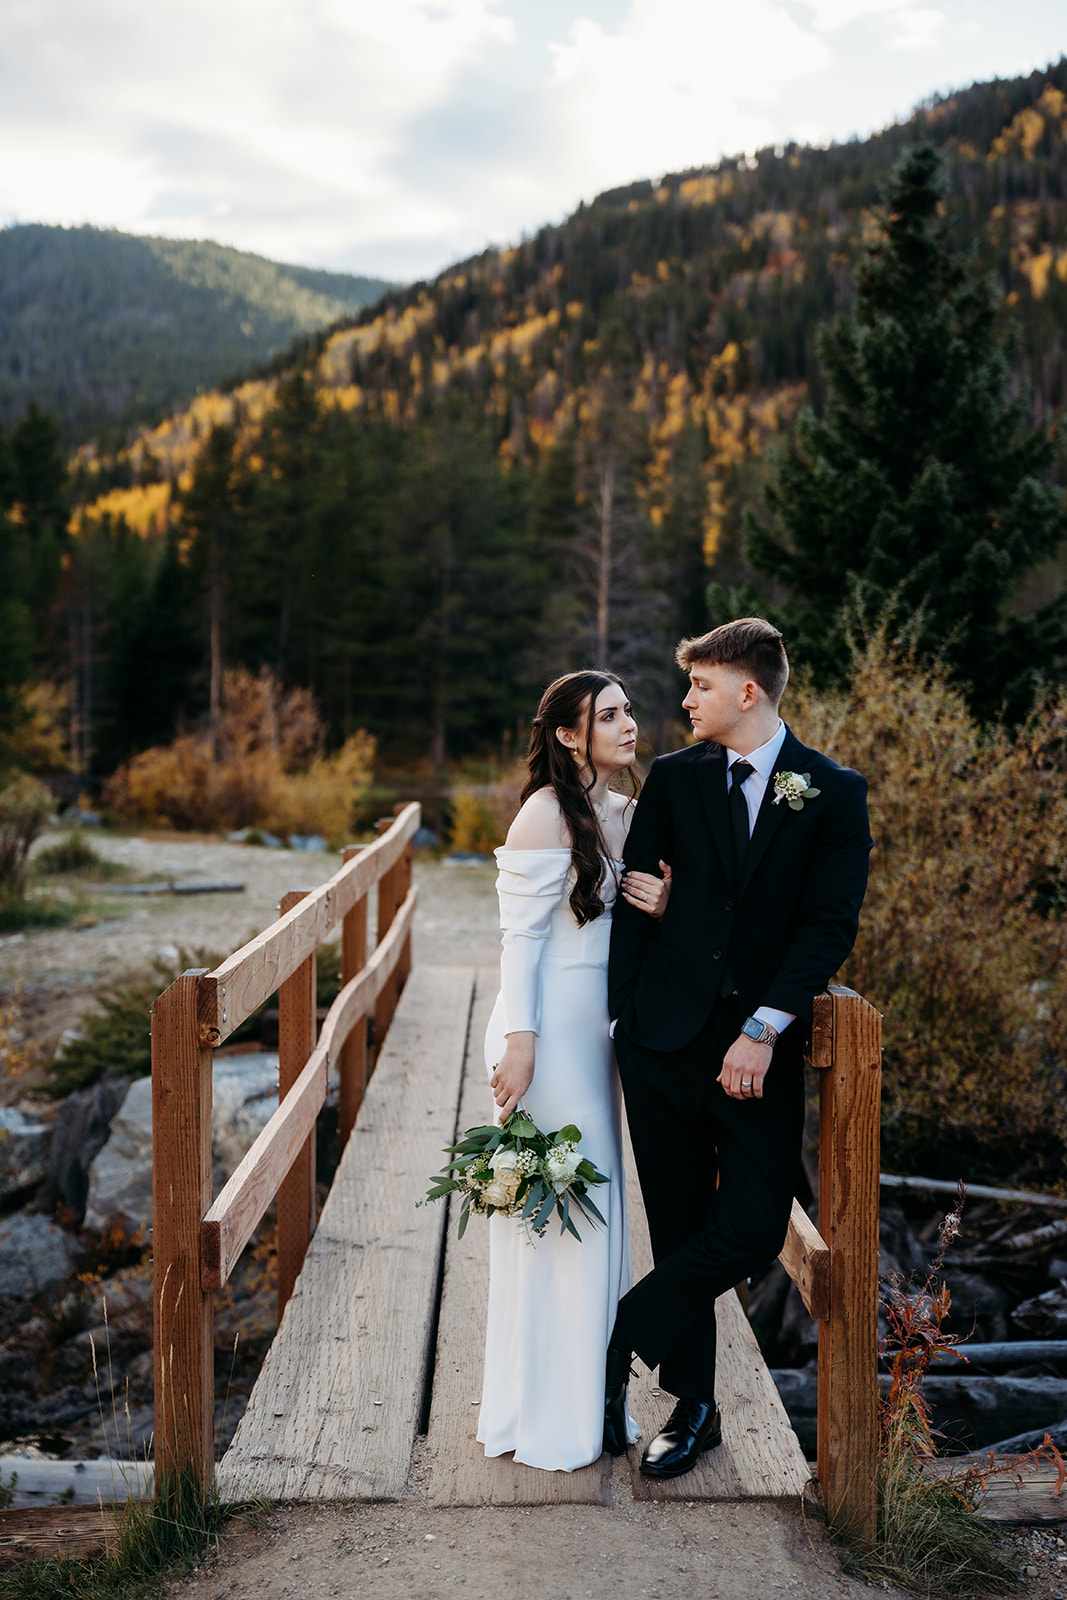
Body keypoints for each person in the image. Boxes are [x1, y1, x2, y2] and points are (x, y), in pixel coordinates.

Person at [605, 617, 872, 1477]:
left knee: (753, 1231)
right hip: (661, 1045)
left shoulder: (830, 791)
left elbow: (826, 926)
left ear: (747, 692)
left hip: (757, 1055)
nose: (685, 700)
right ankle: (694, 1408)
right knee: (680, 1223)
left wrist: (762, 1029)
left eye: (700, 686)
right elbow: (634, 905)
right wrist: (622, 1023)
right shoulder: (676, 781)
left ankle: (623, 1334)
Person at [478, 670, 669, 1472]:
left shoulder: (624, 812)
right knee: (566, 1210)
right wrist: (519, 1039)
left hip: (602, 1029)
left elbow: (639, 923)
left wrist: (660, 901)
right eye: (610, 715)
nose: (630, 725)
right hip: (548, 1027)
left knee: (599, 1207)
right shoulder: (543, 814)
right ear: (568, 734)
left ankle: (591, 1399)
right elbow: (519, 943)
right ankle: (550, 1415)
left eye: (629, 711)